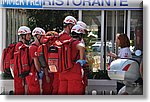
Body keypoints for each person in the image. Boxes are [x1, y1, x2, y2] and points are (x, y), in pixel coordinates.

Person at [58, 24, 86, 95]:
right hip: (74, 73)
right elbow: (82, 47)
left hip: (63, 73)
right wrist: (82, 59)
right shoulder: (76, 43)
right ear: (80, 35)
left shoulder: (65, 43)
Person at [25, 27, 48, 95]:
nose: (44, 39)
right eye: (42, 37)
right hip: (32, 73)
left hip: (32, 73)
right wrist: (40, 71)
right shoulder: (33, 47)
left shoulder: (35, 47)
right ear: (38, 36)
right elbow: (36, 63)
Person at [13, 26, 31, 95]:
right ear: (23, 36)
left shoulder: (21, 45)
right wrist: (22, 74)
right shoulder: (20, 46)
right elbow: (20, 62)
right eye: (28, 35)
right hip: (19, 74)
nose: (30, 36)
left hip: (20, 73)